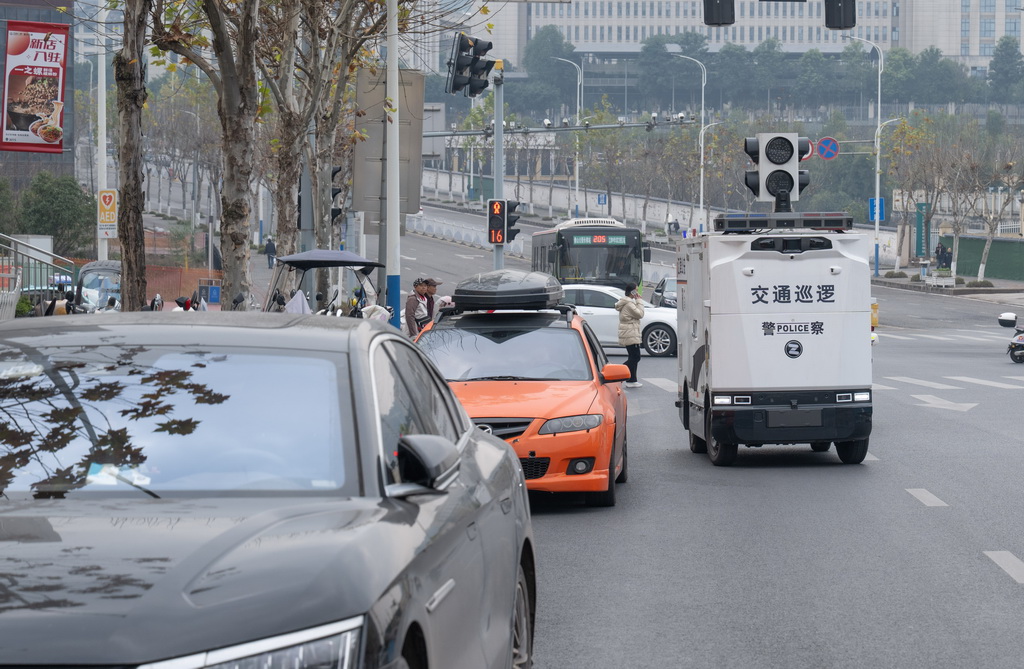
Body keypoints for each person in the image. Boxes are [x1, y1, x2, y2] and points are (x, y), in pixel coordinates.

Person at [615, 282, 645, 388]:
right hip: (630, 333)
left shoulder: (626, 302)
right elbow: (640, 314)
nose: (637, 292)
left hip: (630, 332)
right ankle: (617, 373)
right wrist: (639, 300)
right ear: (632, 291)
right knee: (636, 357)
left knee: (633, 356)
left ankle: (632, 380)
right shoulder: (629, 304)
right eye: (636, 290)